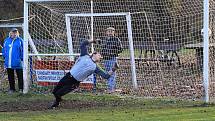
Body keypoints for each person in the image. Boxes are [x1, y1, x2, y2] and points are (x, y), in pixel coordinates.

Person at [50, 39, 116, 109]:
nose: (101, 57)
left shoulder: (95, 67)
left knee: (58, 93)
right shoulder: (85, 55)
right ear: (94, 53)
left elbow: (106, 76)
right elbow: (83, 44)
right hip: (68, 76)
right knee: (54, 92)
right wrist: (94, 41)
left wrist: (114, 69)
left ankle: (56, 104)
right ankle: (59, 100)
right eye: (99, 55)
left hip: (74, 82)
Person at [101, 27, 122, 93]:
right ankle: (111, 87)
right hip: (105, 59)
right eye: (108, 31)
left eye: (111, 31)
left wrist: (113, 53)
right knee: (107, 73)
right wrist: (103, 53)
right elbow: (103, 48)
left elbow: (120, 49)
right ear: (106, 32)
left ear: (114, 32)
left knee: (112, 73)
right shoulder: (105, 40)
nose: (110, 33)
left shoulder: (116, 39)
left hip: (112, 58)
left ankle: (110, 88)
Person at [2, 28, 23, 93]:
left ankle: (21, 89)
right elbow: (4, 50)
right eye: (13, 32)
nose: (14, 34)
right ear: (10, 33)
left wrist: (22, 59)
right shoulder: (6, 40)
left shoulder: (20, 41)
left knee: (20, 76)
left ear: (17, 33)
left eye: (15, 32)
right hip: (9, 62)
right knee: (10, 76)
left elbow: (23, 51)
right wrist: (5, 58)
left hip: (18, 62)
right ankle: (12, 89)